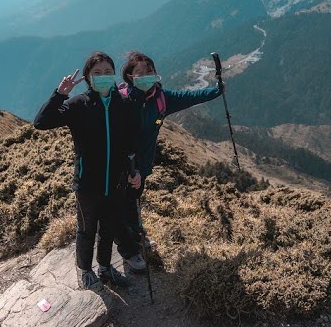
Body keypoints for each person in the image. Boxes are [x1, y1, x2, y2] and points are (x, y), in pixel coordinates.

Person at [33, 51, 141, 290]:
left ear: (114, 75)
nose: (103, 76)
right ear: (88, 77)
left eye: (107, 72)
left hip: (115, 182)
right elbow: (41, 122)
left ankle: (104, 267)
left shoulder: (123, 104)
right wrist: (60, 94)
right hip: (87, 185)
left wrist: (134, 171)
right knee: (86, 229)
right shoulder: (77, 104)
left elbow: (129, 144)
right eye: (97, 73)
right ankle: (85, 270)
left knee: (109, 228)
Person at [116, 51, 223, 272]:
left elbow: (190, 97)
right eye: (140, 72)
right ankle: (130, 252)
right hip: (121, 166)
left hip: (143, 165)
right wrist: (127, 169)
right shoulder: (122, 101)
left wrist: (216, 91)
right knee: (122, 206)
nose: (146, 75)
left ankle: (136, 234)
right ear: (129, 76)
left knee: (134, 200)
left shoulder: (161, 99)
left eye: (149, 71)